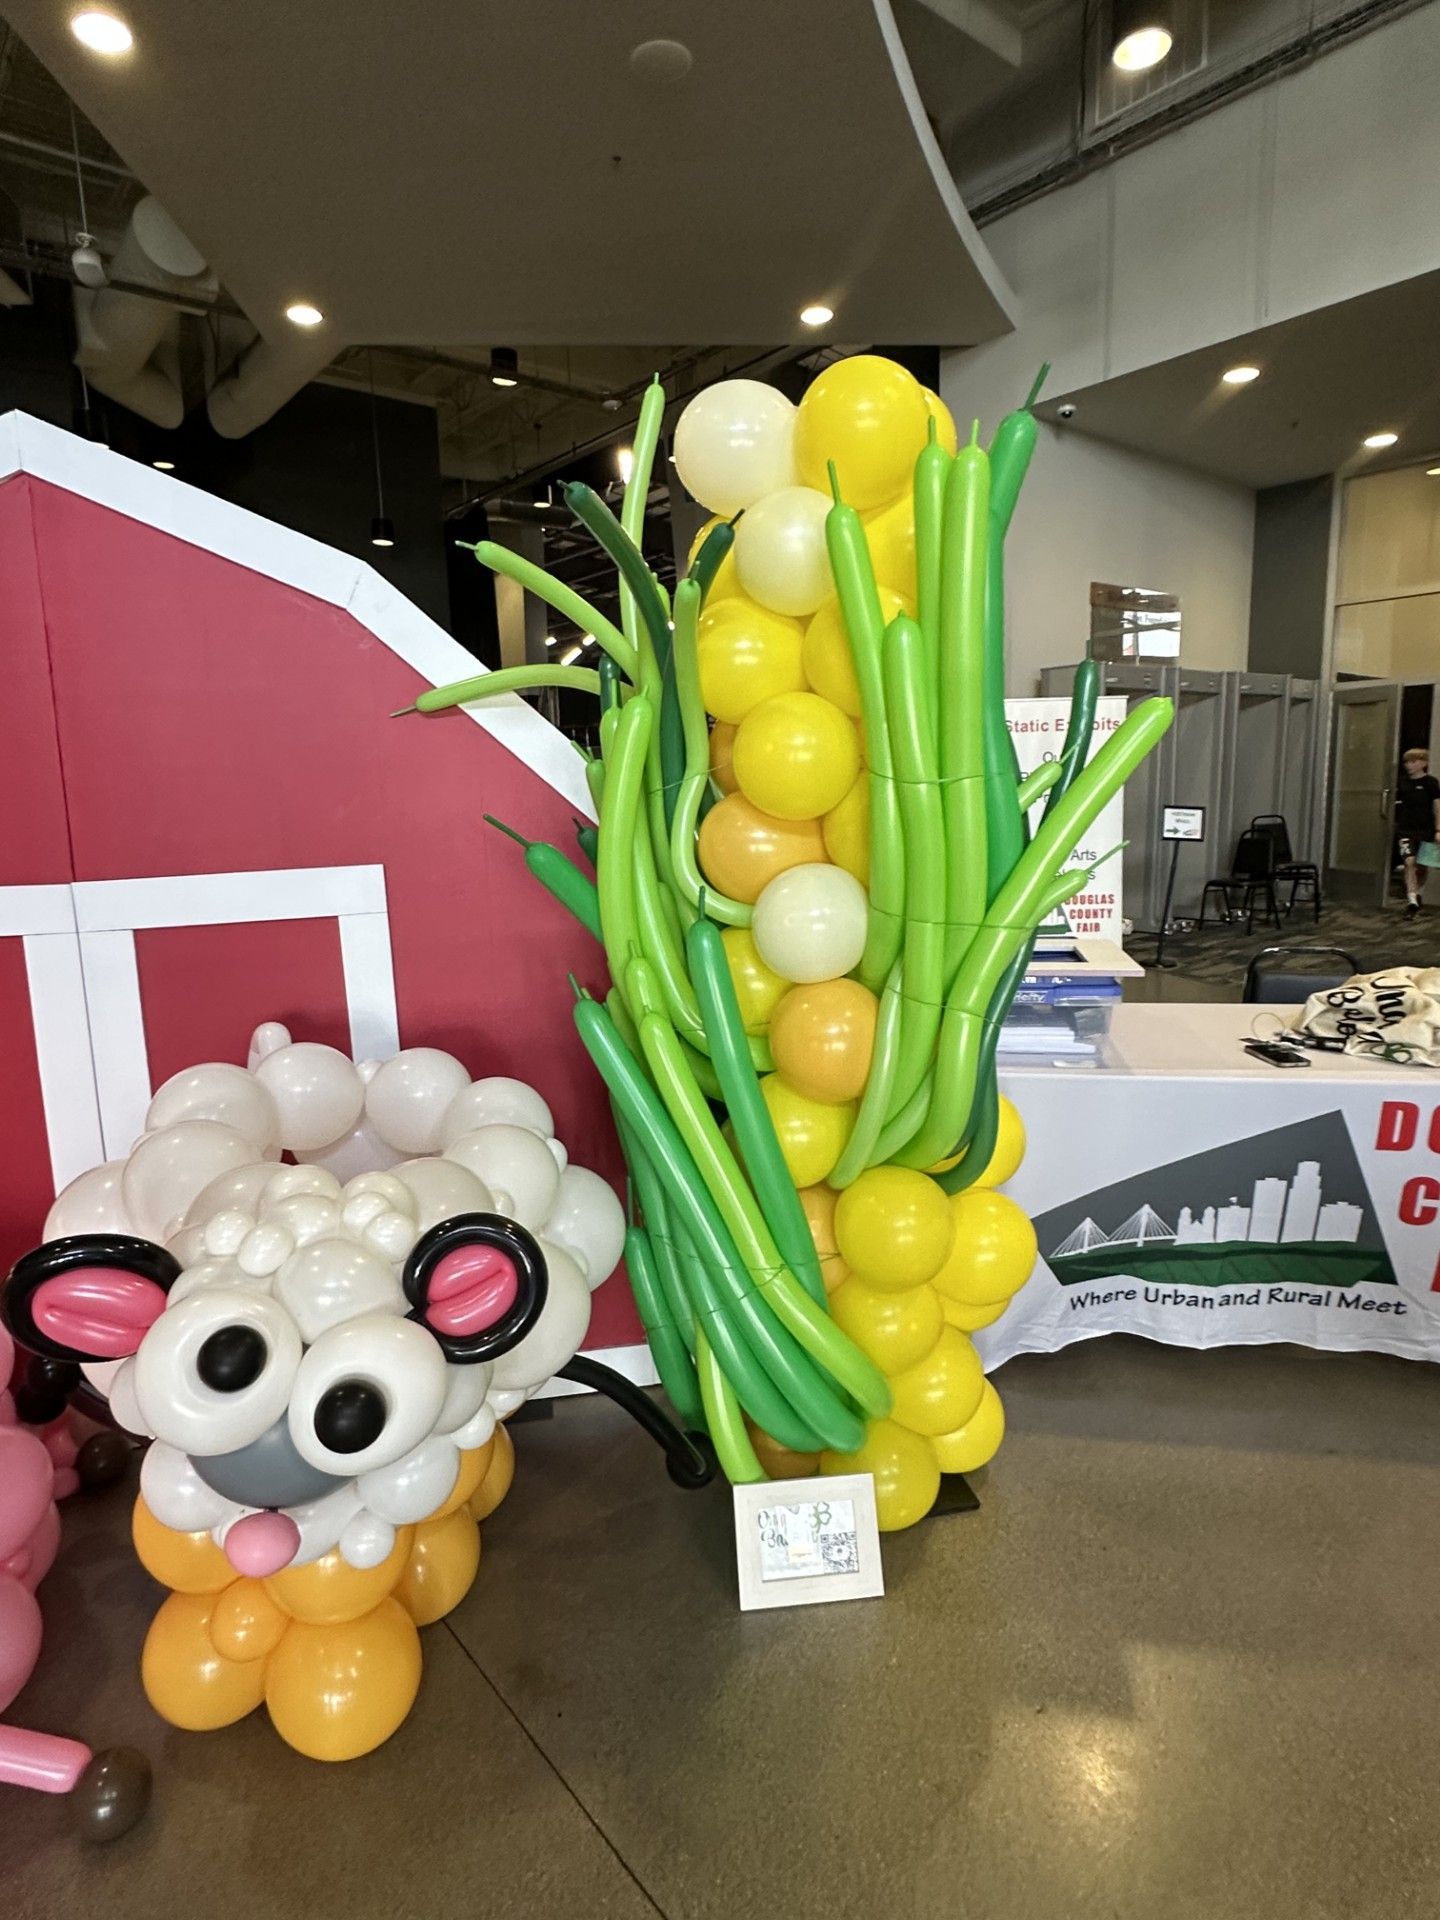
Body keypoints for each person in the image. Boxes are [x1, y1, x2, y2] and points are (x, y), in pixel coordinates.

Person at [1395, 746, 1440, 917]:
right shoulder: (1402, 783)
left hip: (1426, 829)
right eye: (1406, 762)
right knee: (1409, 862)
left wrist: (1438, 829)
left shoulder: (1431, 783)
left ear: (1423, 763)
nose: (1409, 765)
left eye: (1413, 762)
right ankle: (1412, 900)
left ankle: (1418, 893)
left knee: (1421, 865)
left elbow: (1437, 807)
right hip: (1406, 829)